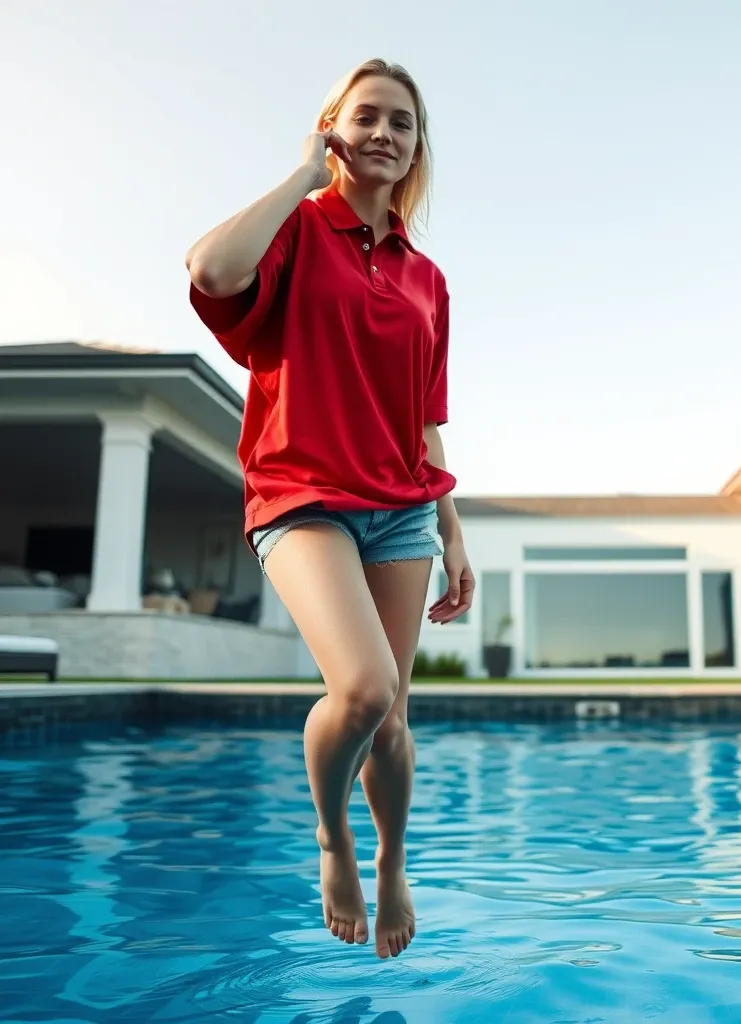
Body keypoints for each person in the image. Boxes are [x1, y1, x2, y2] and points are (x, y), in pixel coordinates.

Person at [185, 59, 474, 959]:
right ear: (333, 128)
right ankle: (333, 838)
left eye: (403, 124)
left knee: (392, 721)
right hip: (301, 494)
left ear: (419, 146)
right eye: (368, 118)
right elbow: (210, 268)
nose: (385, 134)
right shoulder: (296, 230)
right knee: (363, 687)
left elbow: (426, 423)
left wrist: (451, 531)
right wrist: (304, 177)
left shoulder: (430, 281)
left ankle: (390, 861)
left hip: (402, 511)